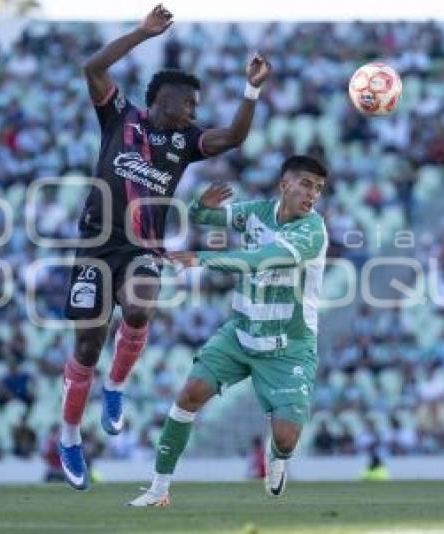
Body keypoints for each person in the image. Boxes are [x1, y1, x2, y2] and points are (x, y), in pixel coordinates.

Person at [58, 3, 272, 491]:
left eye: (196, 109)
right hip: (94, 244)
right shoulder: (120, 117)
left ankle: (116, 387)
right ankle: (69, 435)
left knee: (139, 307)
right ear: (163, 100)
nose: (194, 113)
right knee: (86, 346)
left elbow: (236, 136)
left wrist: (252, 88)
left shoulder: (186, 142)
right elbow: (92, 68)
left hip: (142, 247)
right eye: (189, 105)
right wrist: (140, 33)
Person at [127, 154, 329, 507]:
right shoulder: (256, 213)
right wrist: (197, 205)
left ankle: (277, 457)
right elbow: (206, 217)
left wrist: (202, 259)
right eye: (306, 184)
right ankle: (158, 489)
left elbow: (260, 260)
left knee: (285, 438)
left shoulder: (312, 230)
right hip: (240, 331)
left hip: (289, 345)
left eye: (319, 189)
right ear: (285, 184)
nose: (313, 194)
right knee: (189, 394)